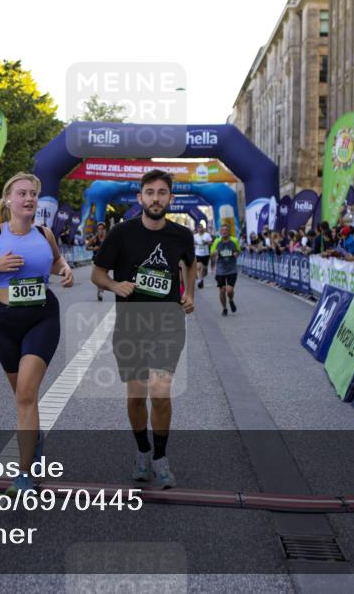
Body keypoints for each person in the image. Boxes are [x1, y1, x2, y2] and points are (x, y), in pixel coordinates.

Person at [0, 172, 74, 495]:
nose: (29, 198)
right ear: (8, 200)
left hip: (41, 317)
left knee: (25, 393)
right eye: (22, 193)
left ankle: (24, 475)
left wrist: (64, 270)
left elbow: (55, 262)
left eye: (33, 193)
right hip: (3, 321)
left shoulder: (45, 233)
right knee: (22, 396)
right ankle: (34, 437)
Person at [91, 169, 195, 489]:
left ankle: (161, 459)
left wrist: (188, 293)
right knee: (136, 397)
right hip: (131, 325)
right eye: (149, 192)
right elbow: (97, 273)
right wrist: (114, 285)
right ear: (140, 198)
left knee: (160, 393)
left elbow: (189, 265)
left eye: (162, 192)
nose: (155, 198)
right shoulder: (122, 233)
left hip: (167, 323)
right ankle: (142, 451)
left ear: (170, 199)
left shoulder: (182, 236)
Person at [209, 223, 241, 316]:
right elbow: (211, 254)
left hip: (232, 269)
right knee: (222, 290)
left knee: (229, 290)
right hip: (220, 270)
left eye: (226, 230)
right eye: (222, 230)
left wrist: (236, 253)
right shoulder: (217, 241)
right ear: (220, 232)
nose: (224, 232)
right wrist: (214, 253)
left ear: (229, 231)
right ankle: (224, 308)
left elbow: (238, 250)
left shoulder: (234, 240)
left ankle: (231, 300)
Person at [86, 222, 107, 301]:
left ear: (104, 230)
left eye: (102, 229)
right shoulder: (94, 239)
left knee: (103, 277)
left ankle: (101, 292)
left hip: (105, 260)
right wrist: (93, 249)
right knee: (96, 277)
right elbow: (86, 247)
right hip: (95, 260)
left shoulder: (107, 238)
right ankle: (99, 289)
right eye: (99, 229)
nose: (100, 231)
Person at [192, 221, 213, 289]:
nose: (199, 229)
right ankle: (200, 280)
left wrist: (206, 242)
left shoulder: (207, 235)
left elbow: (210, 243)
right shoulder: (195, 236)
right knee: (198, 267)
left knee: (204, 270)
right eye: (198, 228)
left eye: (201, 227)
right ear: (197, 229)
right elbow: (192, 244)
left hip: (206, 254)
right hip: (198, 253)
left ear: (203, 228)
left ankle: (201, 279)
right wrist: (194, 243)